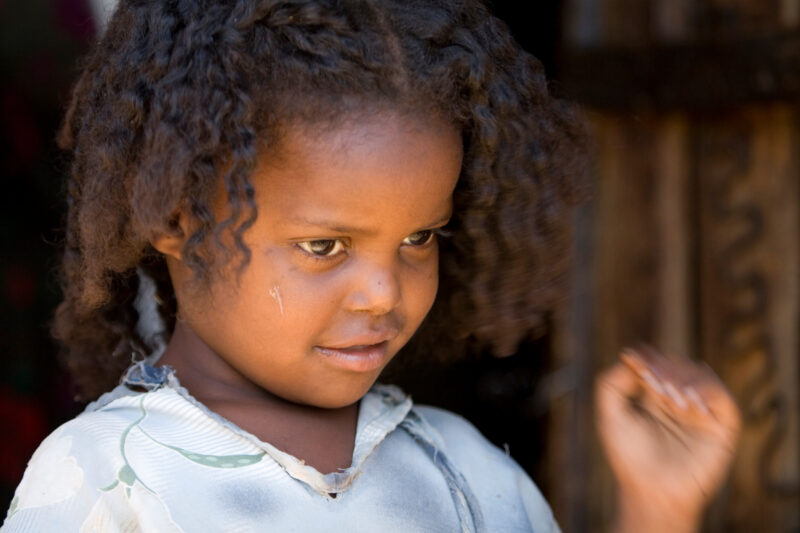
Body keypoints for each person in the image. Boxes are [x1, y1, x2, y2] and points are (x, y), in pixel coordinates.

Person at [2, 0, 741, 531]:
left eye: (419, 239)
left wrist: (657, 507)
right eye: (325, 246)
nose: (386, 292)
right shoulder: (104, 478)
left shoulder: (466, 470)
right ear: (174, 215)